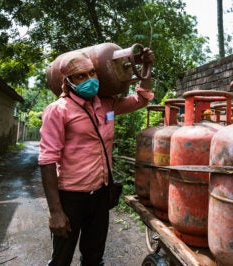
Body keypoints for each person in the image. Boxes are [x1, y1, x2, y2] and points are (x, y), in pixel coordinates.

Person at [38, 48, 154, 265]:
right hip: (71, 197)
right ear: (68, 81)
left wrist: (146, 67)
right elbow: (47, 160)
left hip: (100, 195)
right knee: (61, 258)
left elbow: (141, 99)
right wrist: (56, 212)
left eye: (92, 73)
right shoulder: (58, 111)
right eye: (81, 76)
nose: (89, 79)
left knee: (94, 257)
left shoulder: (107, 105)